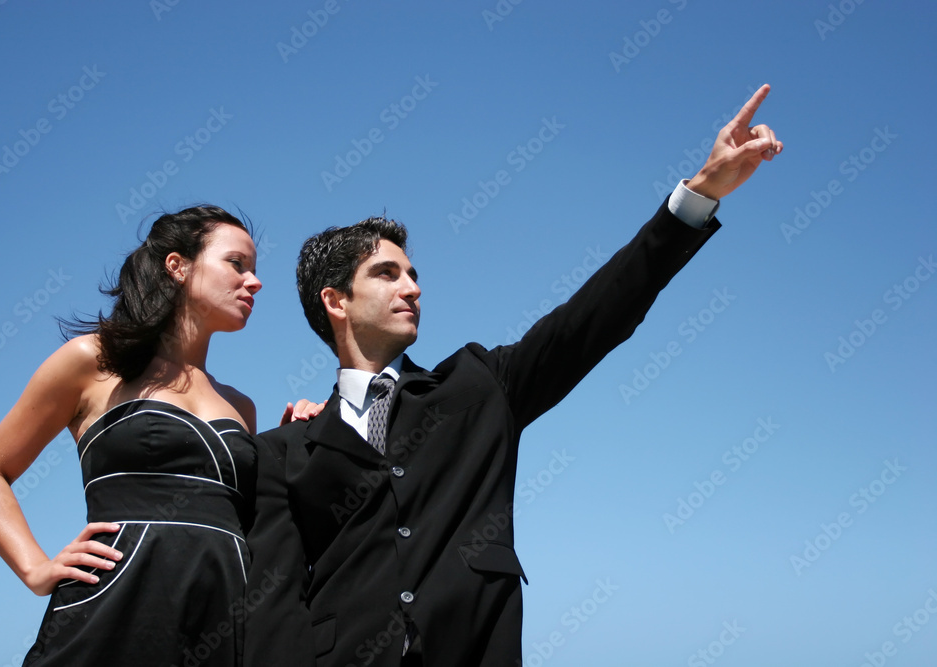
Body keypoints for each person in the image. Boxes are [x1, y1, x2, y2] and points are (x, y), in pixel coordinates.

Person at [243, 85, 783, 666]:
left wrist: (699, 194)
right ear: (336, 301)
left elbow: (595, 316)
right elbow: (272, 607)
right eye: (387, 273)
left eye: (414, 274)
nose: (413, 288)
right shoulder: (283, 452)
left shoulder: (480, 386)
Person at [0, 205, 270, 665]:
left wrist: (297, 436)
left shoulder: (242, 406)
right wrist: (35, 567)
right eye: (237, 264)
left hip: (222, 621)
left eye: (254, 269)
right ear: (178, 266)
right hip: (109, 611)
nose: (254, 282)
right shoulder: (92, 361)